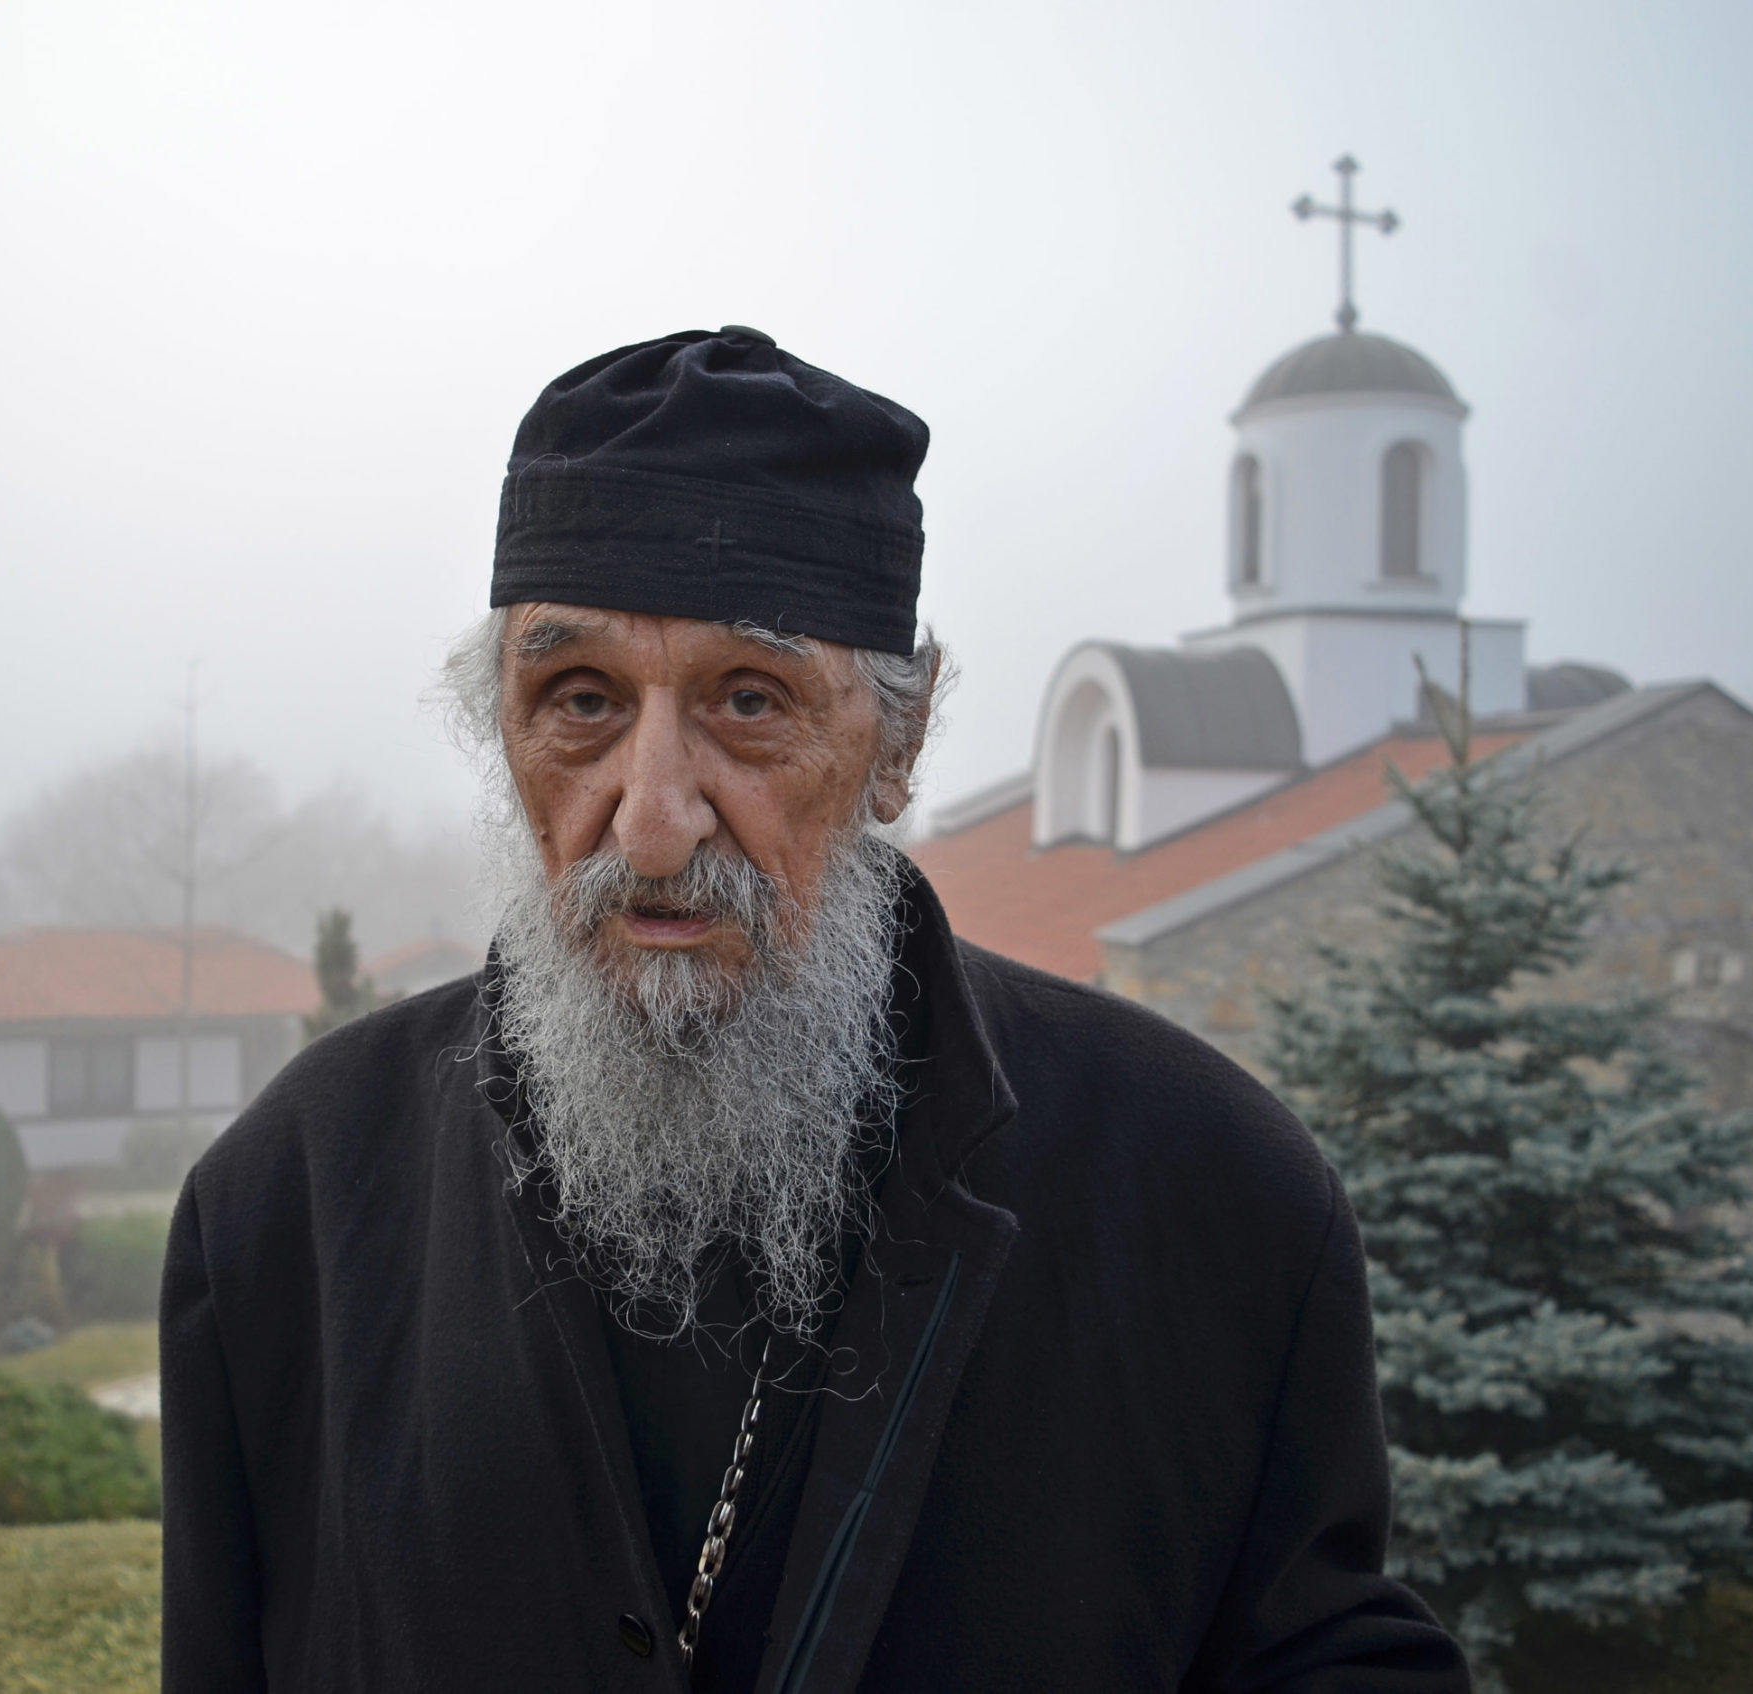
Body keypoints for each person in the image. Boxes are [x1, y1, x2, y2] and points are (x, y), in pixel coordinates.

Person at [160, 326, 1470, 1692]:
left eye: (750, 700)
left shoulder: (1217, 1193)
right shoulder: (283, 1210)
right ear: (503, 728)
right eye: (582, 700)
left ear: (898, 742)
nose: (653, 824)